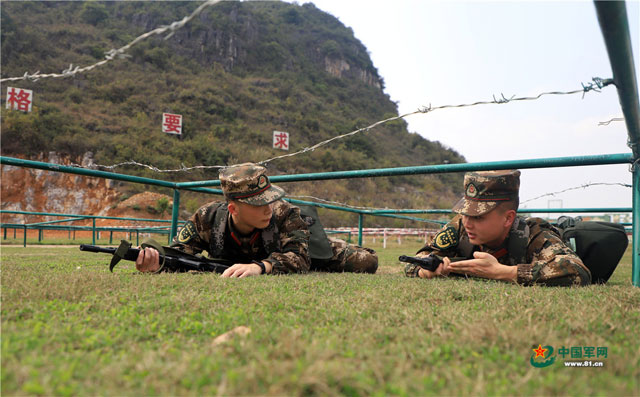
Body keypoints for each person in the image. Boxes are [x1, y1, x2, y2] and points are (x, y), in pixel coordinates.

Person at [135, 163, 378, 277]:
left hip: (303, 247)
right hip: (260, 257)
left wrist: (261, 267)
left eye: (269, 199)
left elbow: (300, 257)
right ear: (233, 208)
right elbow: (179, 253)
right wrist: (156, 262)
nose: (268, 208)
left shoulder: (285, 213)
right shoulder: (207, 217)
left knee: (366, 262)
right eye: (258, 203)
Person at [403, 170, 591, 286]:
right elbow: (416, 259)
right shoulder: (460, 226)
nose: (468, 222)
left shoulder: (534, 234)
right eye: (466, 213)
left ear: (508, 218)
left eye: (478, 216)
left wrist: (502, 272)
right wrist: (425, 271)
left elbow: (577, 271)